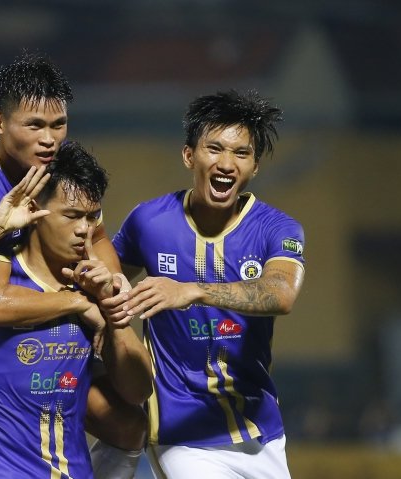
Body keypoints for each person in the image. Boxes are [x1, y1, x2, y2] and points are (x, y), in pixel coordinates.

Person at [0, 52, 147, 479]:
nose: (49, 139)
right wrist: (81, 305)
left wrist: (113, 289)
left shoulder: (61, 169)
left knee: (126, 424)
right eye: (34, 126)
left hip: (38, 308)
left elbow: (96, 236)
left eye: (58, 125)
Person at [103, 90, 306, 478]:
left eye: (241, 153)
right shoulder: (149, 221)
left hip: (260, 429)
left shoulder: (278, 228)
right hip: (182, 435)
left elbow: (281, 294)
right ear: (189, 156)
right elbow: (107, 287)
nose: (226, 164)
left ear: (254, 166)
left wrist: (191, 290)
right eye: (214, 149)